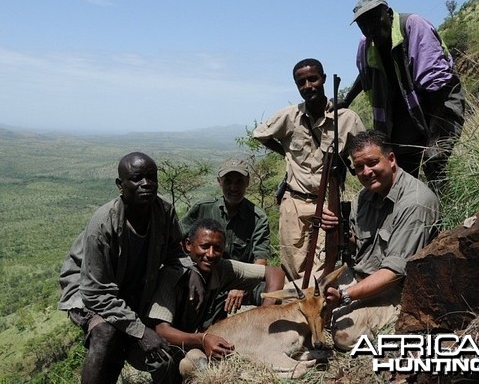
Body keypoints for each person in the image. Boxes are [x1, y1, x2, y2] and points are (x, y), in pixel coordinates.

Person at [58, 152, 202, 384]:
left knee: (161, 354)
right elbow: (95, 293)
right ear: (120, 186)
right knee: (106, 332)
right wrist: (141, 331)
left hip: (132, 290)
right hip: (87, 289)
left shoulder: (163, 211)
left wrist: (191, 268)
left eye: (151, 177)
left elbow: (176, 250)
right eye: (136, 178)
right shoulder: (103, 224)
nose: (146, 184)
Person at [320, 130, 439, 350]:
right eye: (359, 167)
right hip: (359, 275)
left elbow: (393, 273)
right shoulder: (365, 195)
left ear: (391, 159)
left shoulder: (415, 202)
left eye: (372, 163)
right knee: (297, 296)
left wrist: (345, 296)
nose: (366, 172)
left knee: (345, 336)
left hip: (394, 290)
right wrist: (337, 232)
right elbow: (357, 245)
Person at [252, 58, 365, 281]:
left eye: (312, 79)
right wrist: (285, 151)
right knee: (293, 269)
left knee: (320, 272)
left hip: (326, 205)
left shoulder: (346, 119)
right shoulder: (289, 116)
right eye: (301, 82)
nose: (308, 86)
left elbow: (364, 151)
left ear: (322, 78)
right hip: (294, 203)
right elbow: (260, 134)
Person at [340, 0, 465, 193]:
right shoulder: (367, 44)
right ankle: (419, 214)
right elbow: (365, 75)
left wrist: (434, 139)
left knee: (435, 162)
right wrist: (345, 101)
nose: (370, 27)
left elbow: (437, 85)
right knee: (402, 174)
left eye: (374, 18)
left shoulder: (413, 26)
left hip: (437, 107)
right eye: (363, 24)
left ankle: (449, 209)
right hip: (402, 114)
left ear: (387, 13)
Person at [148, 218, 285, 382]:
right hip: (162, 345)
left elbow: (275, 272)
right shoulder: (172, 275)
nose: (211, 254)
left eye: (217, 248)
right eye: (204, 246)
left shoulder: (221, 268)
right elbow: (162, 330)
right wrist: (203, 339)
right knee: (176, 363)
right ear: (188, 245)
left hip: (196, 338)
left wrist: (265, 312)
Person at [181, 157, 271, 311]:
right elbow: (179, 242)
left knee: (273, 295)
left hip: (239, 280)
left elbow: (260, 260)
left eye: (239, 181)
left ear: (248, 182)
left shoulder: (257, 218)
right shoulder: (203, 208)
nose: (233, 187)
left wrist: (240, 287)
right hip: (203, 276)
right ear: (219, 182)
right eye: (228, 181)